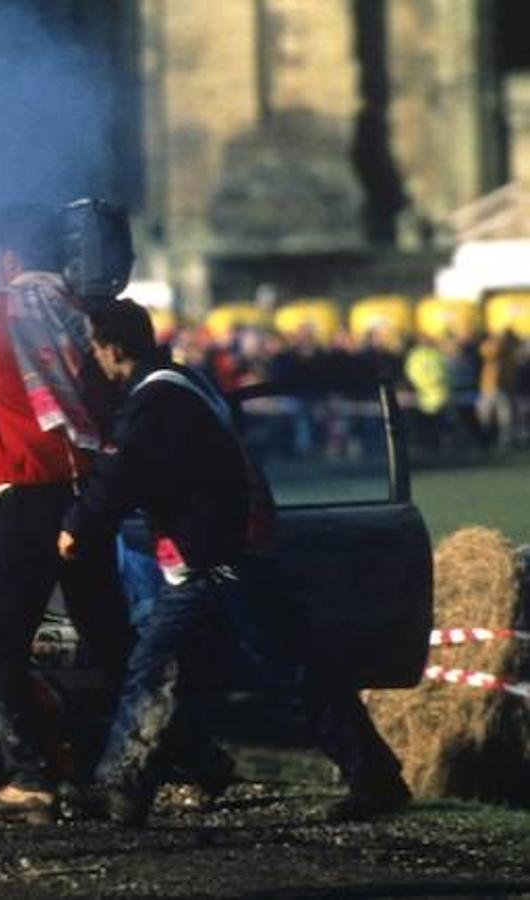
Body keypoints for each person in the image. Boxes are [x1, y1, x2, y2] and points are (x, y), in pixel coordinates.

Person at [59, 299, 410, 826]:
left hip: (222, 553)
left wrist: (78, 524)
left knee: (291, 665)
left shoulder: (153, 400)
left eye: (94, 347)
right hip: (211, 554)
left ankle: (375, 779)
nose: (92, 358)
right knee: (156, 668)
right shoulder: (182, 382)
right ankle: (121, 790)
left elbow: (121, 471)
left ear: (112, 349)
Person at [0, 204, 134, 822]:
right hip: (89, 495)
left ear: (7, 259)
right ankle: (197, 760)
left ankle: (29, 777)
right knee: (112, 636)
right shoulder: (81, 314)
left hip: (25, 498)